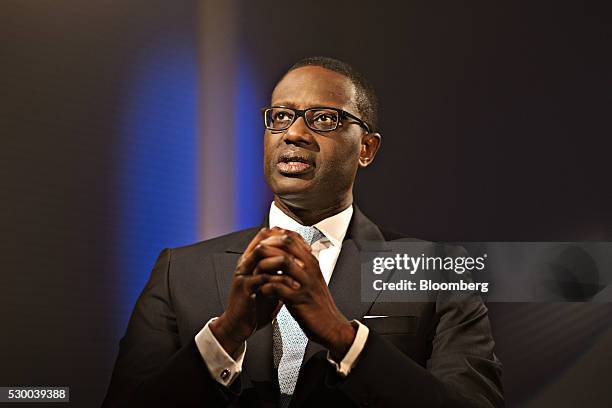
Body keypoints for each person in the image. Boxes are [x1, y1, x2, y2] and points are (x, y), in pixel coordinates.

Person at [102, 57, 503, 407]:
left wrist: (345, 338)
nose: (293, 133)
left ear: (366, 148)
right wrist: (226, 335)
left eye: (324, 118)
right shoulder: (179, 272)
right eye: (280, 116)